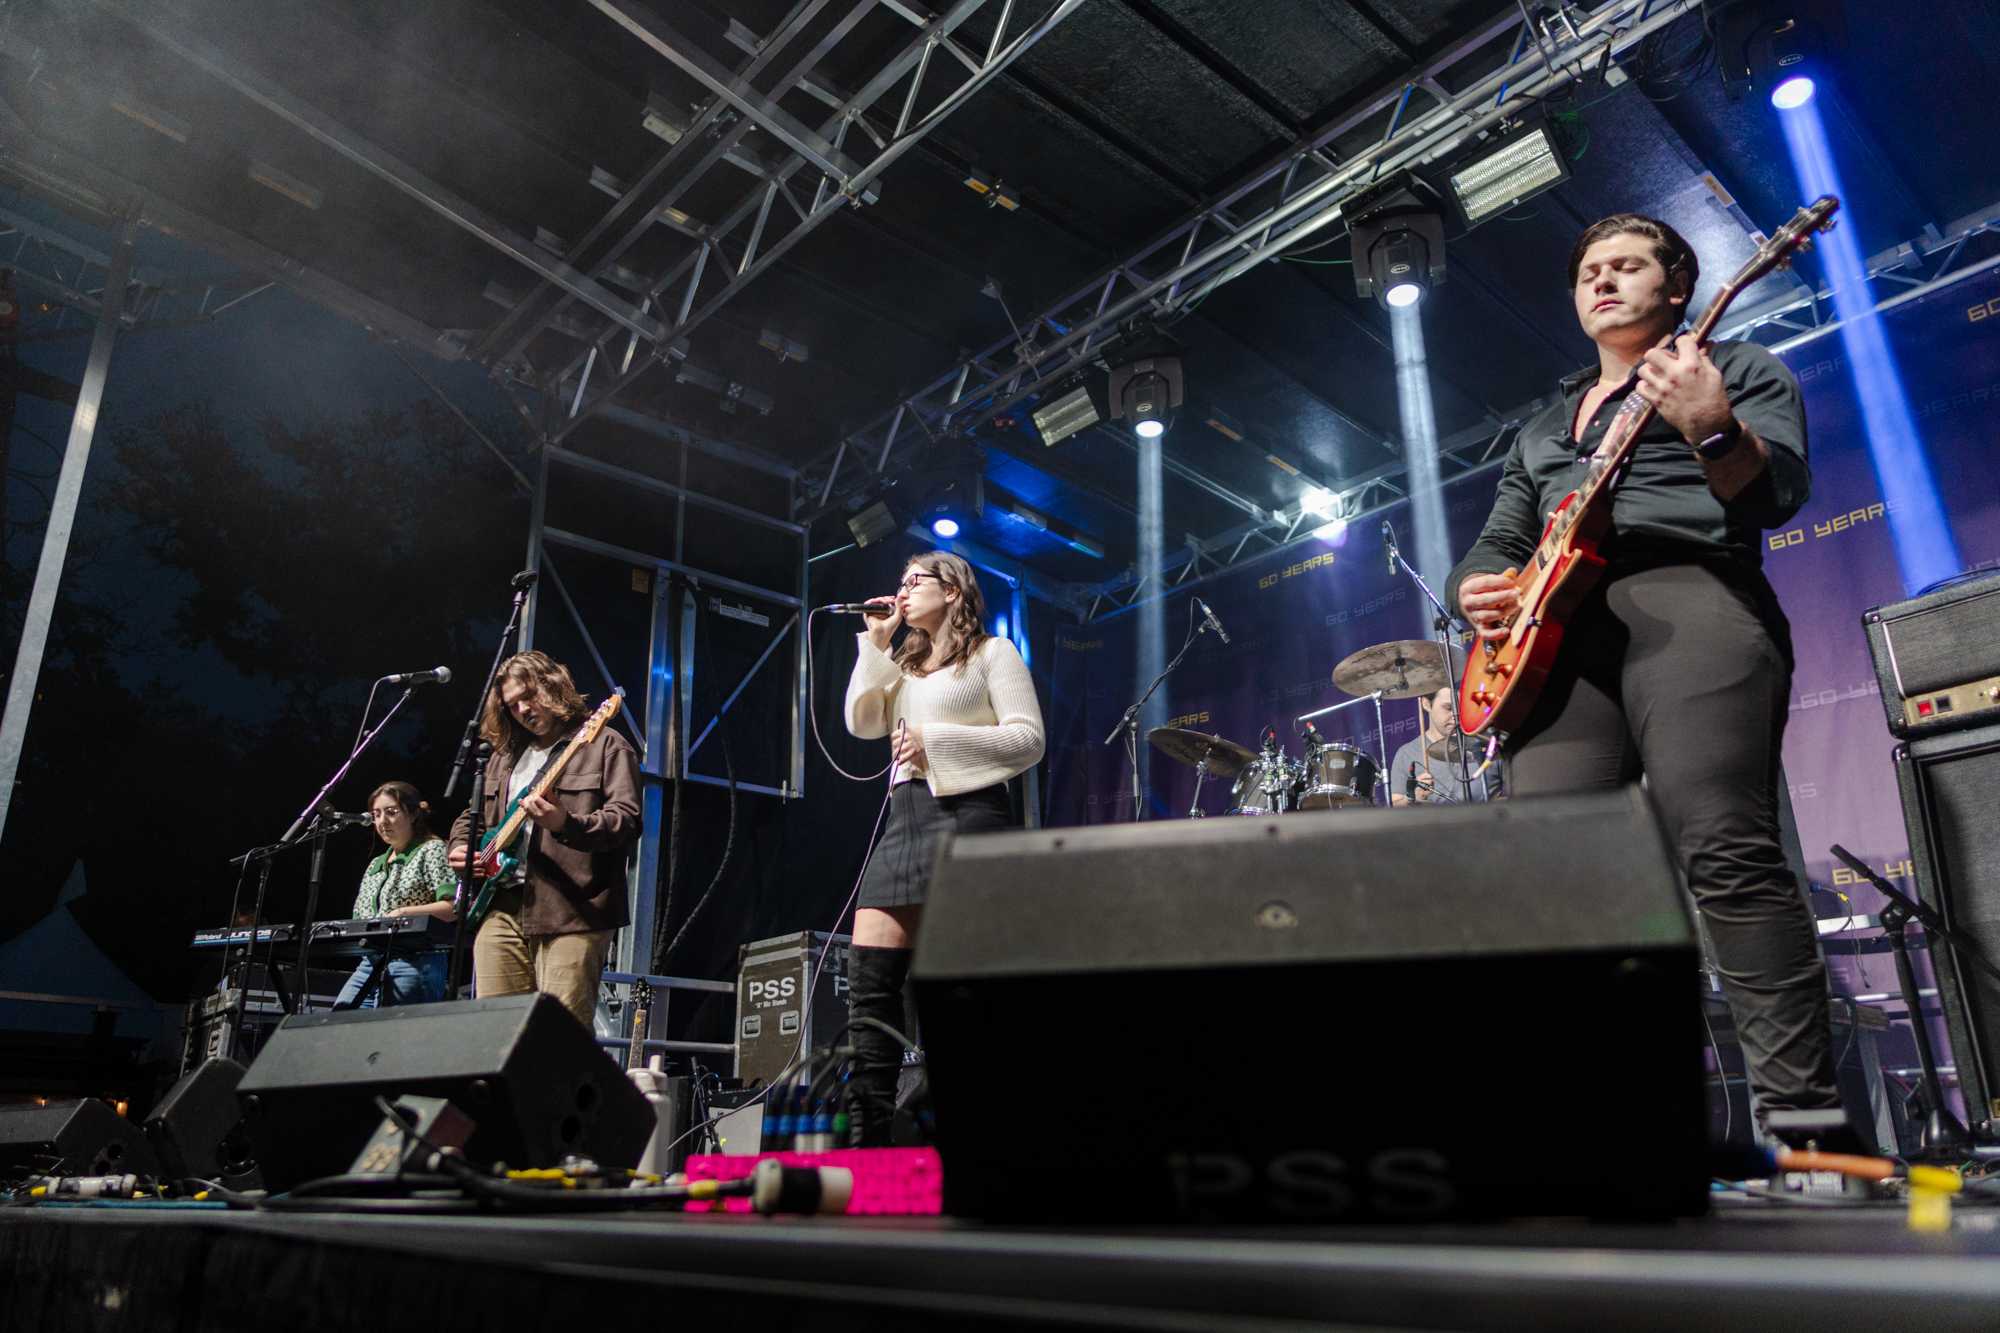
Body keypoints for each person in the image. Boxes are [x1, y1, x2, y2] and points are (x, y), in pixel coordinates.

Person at [1447, 213, 1839, 1129]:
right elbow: (1499, 541)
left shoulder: (1736, 369)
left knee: (1725, 851)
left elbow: (1777, 492)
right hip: (1556, 647)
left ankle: (1808, 1128)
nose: (1603, 281)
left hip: (1690, 595)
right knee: (1565, 878)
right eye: (1589, 269)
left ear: (1676, 288)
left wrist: (1710, 428)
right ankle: (1608, 1131)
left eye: (1628, 266)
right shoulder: (1544, 427)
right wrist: (1477, 588)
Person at [842, 551, 1045, 1145]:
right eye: (898, 582)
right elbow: (862, 723)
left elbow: (1028, 740)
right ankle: (866, 1138)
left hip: (970, 816)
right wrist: (875, 646)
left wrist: (938, 740)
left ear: (953, 590)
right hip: (905, 818)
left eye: (914, 581)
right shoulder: (902, 664)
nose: (901, 592)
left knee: (960, 989)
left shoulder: (992, 653)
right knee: (869, 988)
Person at [448, 651, 641, 1030]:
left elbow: (627, 821)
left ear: (551, 686)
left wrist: (564, 822)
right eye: (512, 705)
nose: (522, 709)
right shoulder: (504, 756)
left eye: (529, 696)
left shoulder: (605, 744)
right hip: (500, 907)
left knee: (559, 1037)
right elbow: (468, 817)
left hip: (571, 911)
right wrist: (459, 846)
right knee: (495, 1035)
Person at [333, 780, 456, 1008]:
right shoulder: (376, 864)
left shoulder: (432, 849)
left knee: (396, 1037)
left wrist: (403, 913)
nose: (382, 821)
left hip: (415, 961)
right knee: (339, 1021)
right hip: (370, 962)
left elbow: (453, 907)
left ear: (412, 814)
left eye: (391, 812)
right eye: (376, 814)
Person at [1389, 687, 1501, 806]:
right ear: (1426, 704)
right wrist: (1412, 797)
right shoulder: (1406, 753)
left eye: (1460, 709)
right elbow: (1395, 805)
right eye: (1448, 708)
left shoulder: (1487, 746)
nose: (1455, 715)